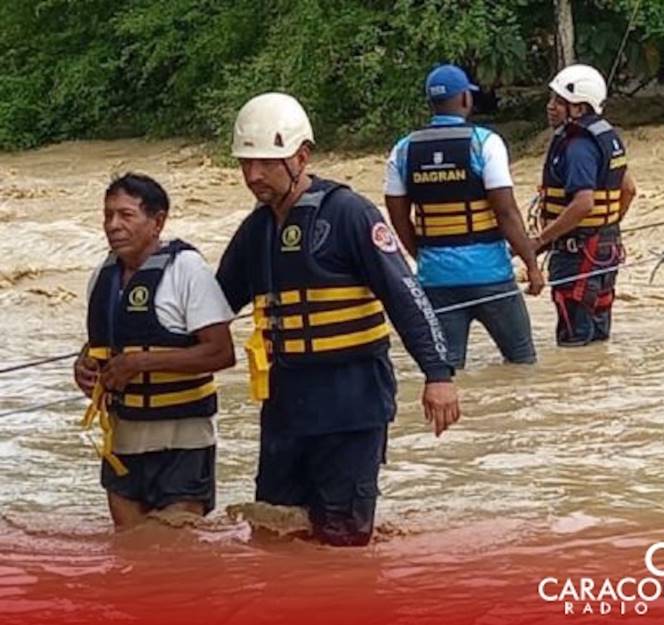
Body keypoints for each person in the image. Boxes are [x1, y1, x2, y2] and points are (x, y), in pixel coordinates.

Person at [216, 92, 461, 547]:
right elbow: (213, 307)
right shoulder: (257, 230)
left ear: (301, 157)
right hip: (285, 409)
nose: (253, 175)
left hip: (351, 406)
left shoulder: (349, 214)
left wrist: (438, 374)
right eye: (245, 164)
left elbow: (405, 295)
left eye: (266, 163)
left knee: (343, 543)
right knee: (273, 535)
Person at [73, 173, 235, 528]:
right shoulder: (102, 276)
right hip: (124, 445)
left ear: (157, 221)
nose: (113, 226)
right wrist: (83, 364)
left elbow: (221, 352)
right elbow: (105, 341)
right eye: (108, 215)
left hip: (182, 443)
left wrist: (142, 363)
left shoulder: (187, 269)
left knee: (176, 553)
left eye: (126, 215)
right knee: (130, 552)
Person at [384, 64, 543, 370]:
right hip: (492, 278)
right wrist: (532, 265)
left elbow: (398, 217)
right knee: (523, 365)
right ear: (466, 100)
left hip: (436, 281)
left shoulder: (402, 150)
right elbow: (506, 212)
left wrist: (424, 255)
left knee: (447, 372)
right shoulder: (485, 143)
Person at [531, 64, 637, 347]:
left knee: (574, 342)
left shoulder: (577, 146)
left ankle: (575, 390)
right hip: (606, 248)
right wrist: (608, 227)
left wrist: (540, 240)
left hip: (577, 254)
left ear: (578, 109)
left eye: (559, 102)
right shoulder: (606, 137)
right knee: (597, 338)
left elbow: (583, 204)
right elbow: (628, 189)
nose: (550, 107)